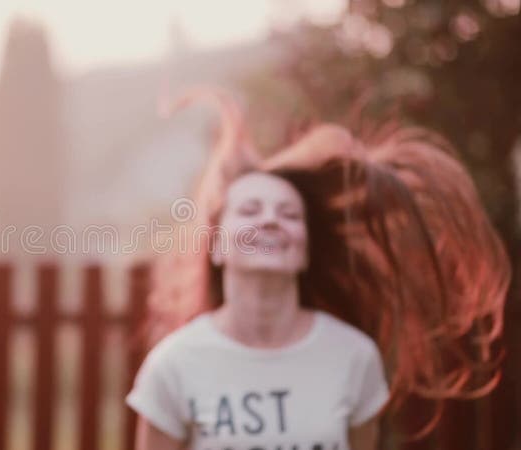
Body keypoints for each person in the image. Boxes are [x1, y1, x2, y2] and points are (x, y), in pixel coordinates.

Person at [124, 91, 511, 450]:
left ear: (304, 250)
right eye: (250, 210)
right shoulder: (173, 366)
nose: (271, 221)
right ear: (218, 246)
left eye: (289, 214)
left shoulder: (353, 357)